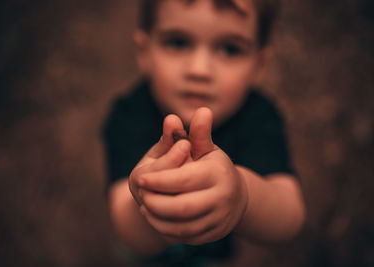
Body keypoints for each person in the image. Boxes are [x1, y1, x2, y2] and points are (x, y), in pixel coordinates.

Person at [103, 0, 306, 265]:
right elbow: (128, 231)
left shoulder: (258, 116)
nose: (199, 70)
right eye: (177, 43)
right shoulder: (129, 115)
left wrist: (243, 194)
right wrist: (148, 198)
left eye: (230, 49)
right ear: (144, 51)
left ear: (260, 65)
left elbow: (290, 215)